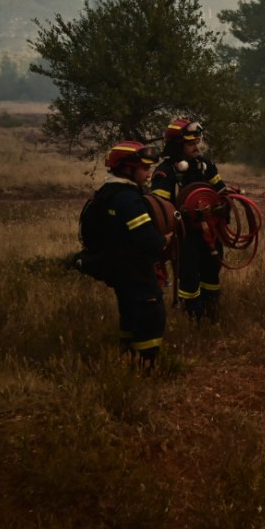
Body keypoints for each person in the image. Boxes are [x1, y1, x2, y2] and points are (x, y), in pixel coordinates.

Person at [93, 140, 167, 369]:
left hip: (118, 270)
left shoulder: (105, 194)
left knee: (129, 312)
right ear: (127, 168)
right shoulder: (129, 200)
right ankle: (146, 366)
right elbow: (148, 239)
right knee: (150, 315)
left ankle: (127, 354)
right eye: (144, 168)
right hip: (137, 270)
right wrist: (166, 240)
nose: (149, 173)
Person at [151, 118, 230, 323]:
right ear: (177, 146)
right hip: (184, 237)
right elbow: (160, 209)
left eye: (197, 142)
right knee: (189, 276)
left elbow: (221, 191)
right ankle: (193, 317)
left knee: (212, 271)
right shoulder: (165, 172)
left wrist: (223, 206)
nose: (197, 147)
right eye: (190, 144)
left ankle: (211, 312)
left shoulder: (205, 166)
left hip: (210, 233)